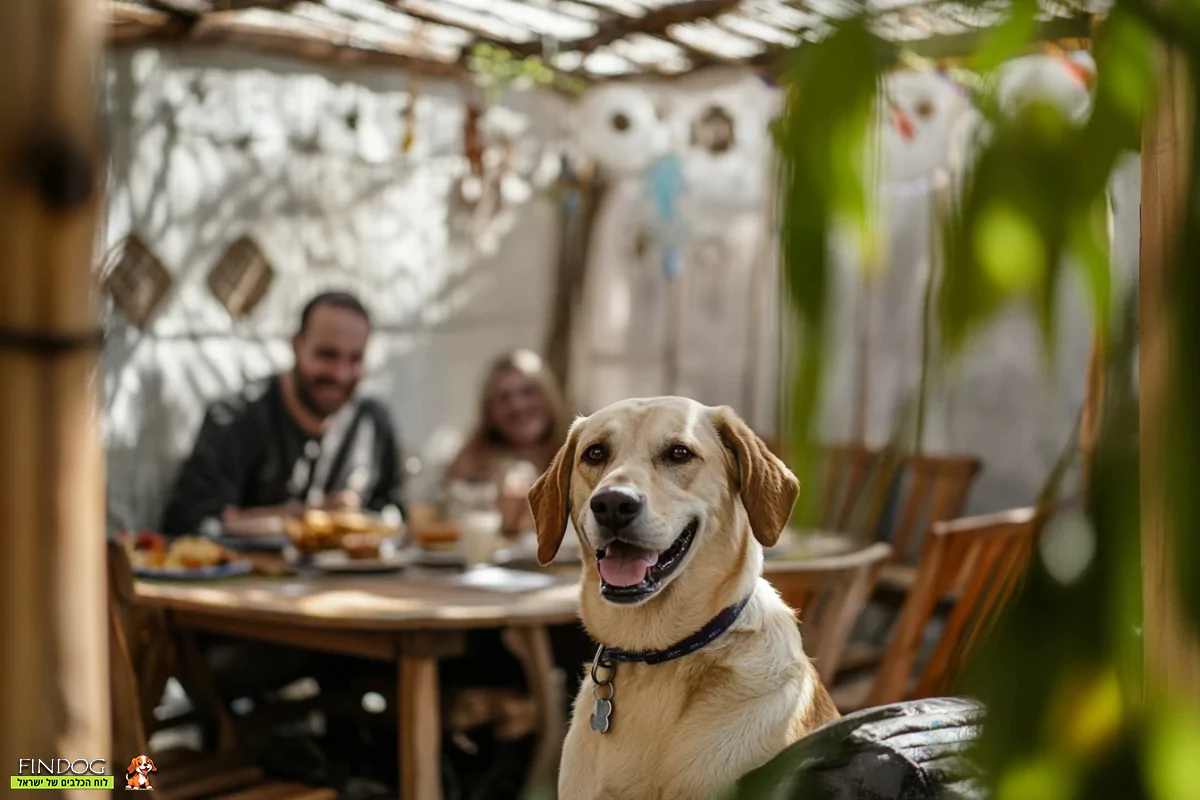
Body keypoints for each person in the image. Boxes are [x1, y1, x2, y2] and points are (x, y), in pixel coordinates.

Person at [161, 291, 404, 534]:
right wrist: (308, 516)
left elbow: (394, 517)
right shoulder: (235, 418)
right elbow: (191, 523)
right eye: (327, 355)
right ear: (297, 345)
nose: (341, 374)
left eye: (355, 359)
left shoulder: (372, 423)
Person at [444, 349, 567, 533]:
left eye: (529, 392)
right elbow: (450, 526)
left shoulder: (579, 452)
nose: (517, 406)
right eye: (504, 398)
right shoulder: (473, 462)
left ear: (549, 397)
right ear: (490, 413)